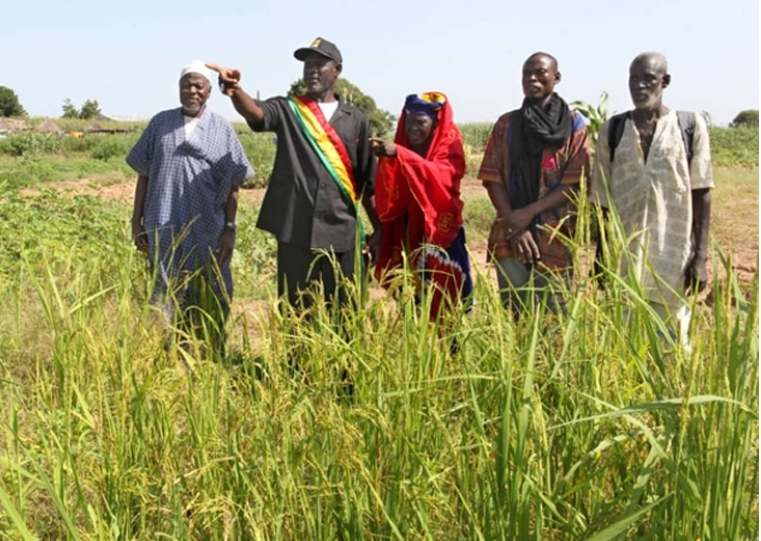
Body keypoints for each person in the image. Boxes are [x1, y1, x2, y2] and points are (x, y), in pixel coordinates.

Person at [208, 38, 381, 318]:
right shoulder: (289, 109)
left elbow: (368, 181)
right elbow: (256, 111)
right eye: (307, 65)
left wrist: (380, 229)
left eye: (319, 64)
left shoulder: (355, 119)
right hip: (296, 233)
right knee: (296, 312)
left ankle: (342, 364)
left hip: (342, 233)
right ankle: (296, 364)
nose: (312, 70)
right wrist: (235, 90)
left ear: (337, 70)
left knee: (345, 312)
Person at [126, 60, 255, 354]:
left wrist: (230, 229)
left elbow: (235, 183)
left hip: (208, 227)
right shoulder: (160, 123)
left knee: (211, 288)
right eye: (187, 84)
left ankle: (210, 351)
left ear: (209, 91)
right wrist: (137, 222)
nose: (193, 90)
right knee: (164, 287)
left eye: (199, 85)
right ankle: (165, 353)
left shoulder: (222, 129)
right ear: (179, 88)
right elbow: (143, 174)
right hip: (162, 222)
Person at [590, 52, 713, 349]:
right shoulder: (613, 129)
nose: (640, 86)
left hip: (672, 258)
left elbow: (703, 191)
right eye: (634, 79)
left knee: (672, 349)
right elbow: (600, 199)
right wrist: (600, 255)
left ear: (665, 82)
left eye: (649, 79)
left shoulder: (690, 126)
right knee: (622, 349)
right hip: (624, 259)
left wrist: (700, 256)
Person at [478, 52, 591, 318]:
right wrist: (516, 227)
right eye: (526, 73)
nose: (532, 78)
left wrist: (529, 213)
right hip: (510, 234)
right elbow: (492, 179)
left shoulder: (573, 125)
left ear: (556, 77)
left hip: (555, 237)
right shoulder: (507, 125)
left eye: (540, 72)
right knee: (516, 315)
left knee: (555, 319)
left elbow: (575, 183)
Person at [371, 92, 474, 325]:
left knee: (447, 299)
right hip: (409, 231)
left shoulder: (449, 147)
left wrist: (400, 155)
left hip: (441, 231)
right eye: (409, 121)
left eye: (421, 122)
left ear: (435, 123)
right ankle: (418, 352)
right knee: (413, 298)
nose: (413, 128)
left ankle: (451, 353)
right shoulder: (406, 148)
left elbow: (443, 176)